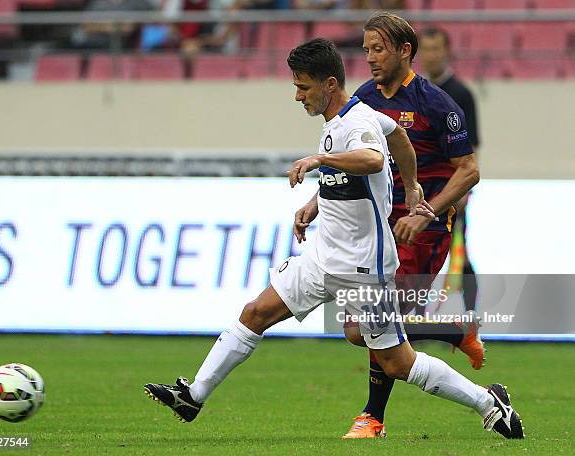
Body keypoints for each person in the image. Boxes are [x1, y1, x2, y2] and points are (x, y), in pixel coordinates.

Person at [143, 38, 523, 441]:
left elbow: (374, 158)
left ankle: (488, 403)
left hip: (365, 268)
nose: (297, 95)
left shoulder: (356, 123)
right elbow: (398, 138)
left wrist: (320, 160)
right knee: (256, 312)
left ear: (328, 83)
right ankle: (194, 396)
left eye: (303, 87)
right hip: (323, 258)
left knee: (397, 363)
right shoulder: (357, 114)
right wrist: (348, 195)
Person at [340, 13, 486, 439]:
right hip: (380, 226)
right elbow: (357, 157)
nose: (369, 58)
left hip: (424, 230)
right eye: (366, 49)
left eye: (378, 48)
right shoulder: (365, 97)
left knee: (377, 325)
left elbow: (469, 170)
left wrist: (426, 213)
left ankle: (372, 417)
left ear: (405, 51)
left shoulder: (437, 103)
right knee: (360, 329)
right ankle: (450, 330)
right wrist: (316, 201)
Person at [419, 26, 480, 315]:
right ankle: (416, 322)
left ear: (447, 52)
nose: (431, 55)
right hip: (424, 191)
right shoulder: (416, 92)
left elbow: (472, 146)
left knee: (460, 253)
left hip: (451, 190)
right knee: (420, 256)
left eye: (436, 49)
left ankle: (471, 317)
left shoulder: (461, 94)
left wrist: (463, 191)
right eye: (426, 49)